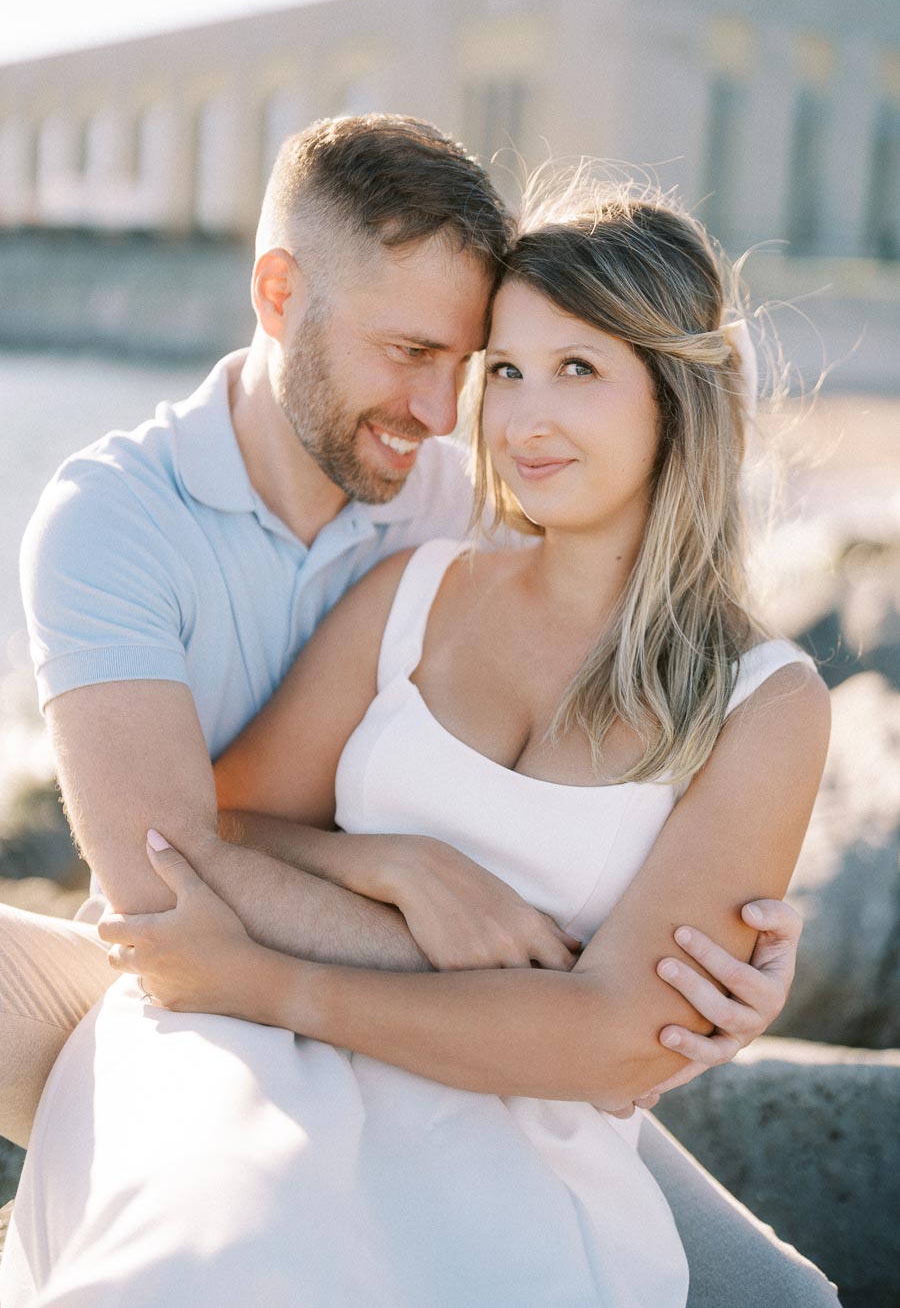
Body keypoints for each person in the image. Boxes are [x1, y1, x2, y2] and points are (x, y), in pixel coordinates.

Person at [0, 118, 833, 1303]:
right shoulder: (138, 524)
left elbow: (624, 1026)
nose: (469, 413)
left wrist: (679, 1001)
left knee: (790, 1296)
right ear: (279, 295)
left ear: (681, 397)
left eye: (562, 368)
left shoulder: (453, 503)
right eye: (498, 368)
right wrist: (414, 884)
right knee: (211, 1246)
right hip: (203, 985)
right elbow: (179, 855)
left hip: (499, 1093)